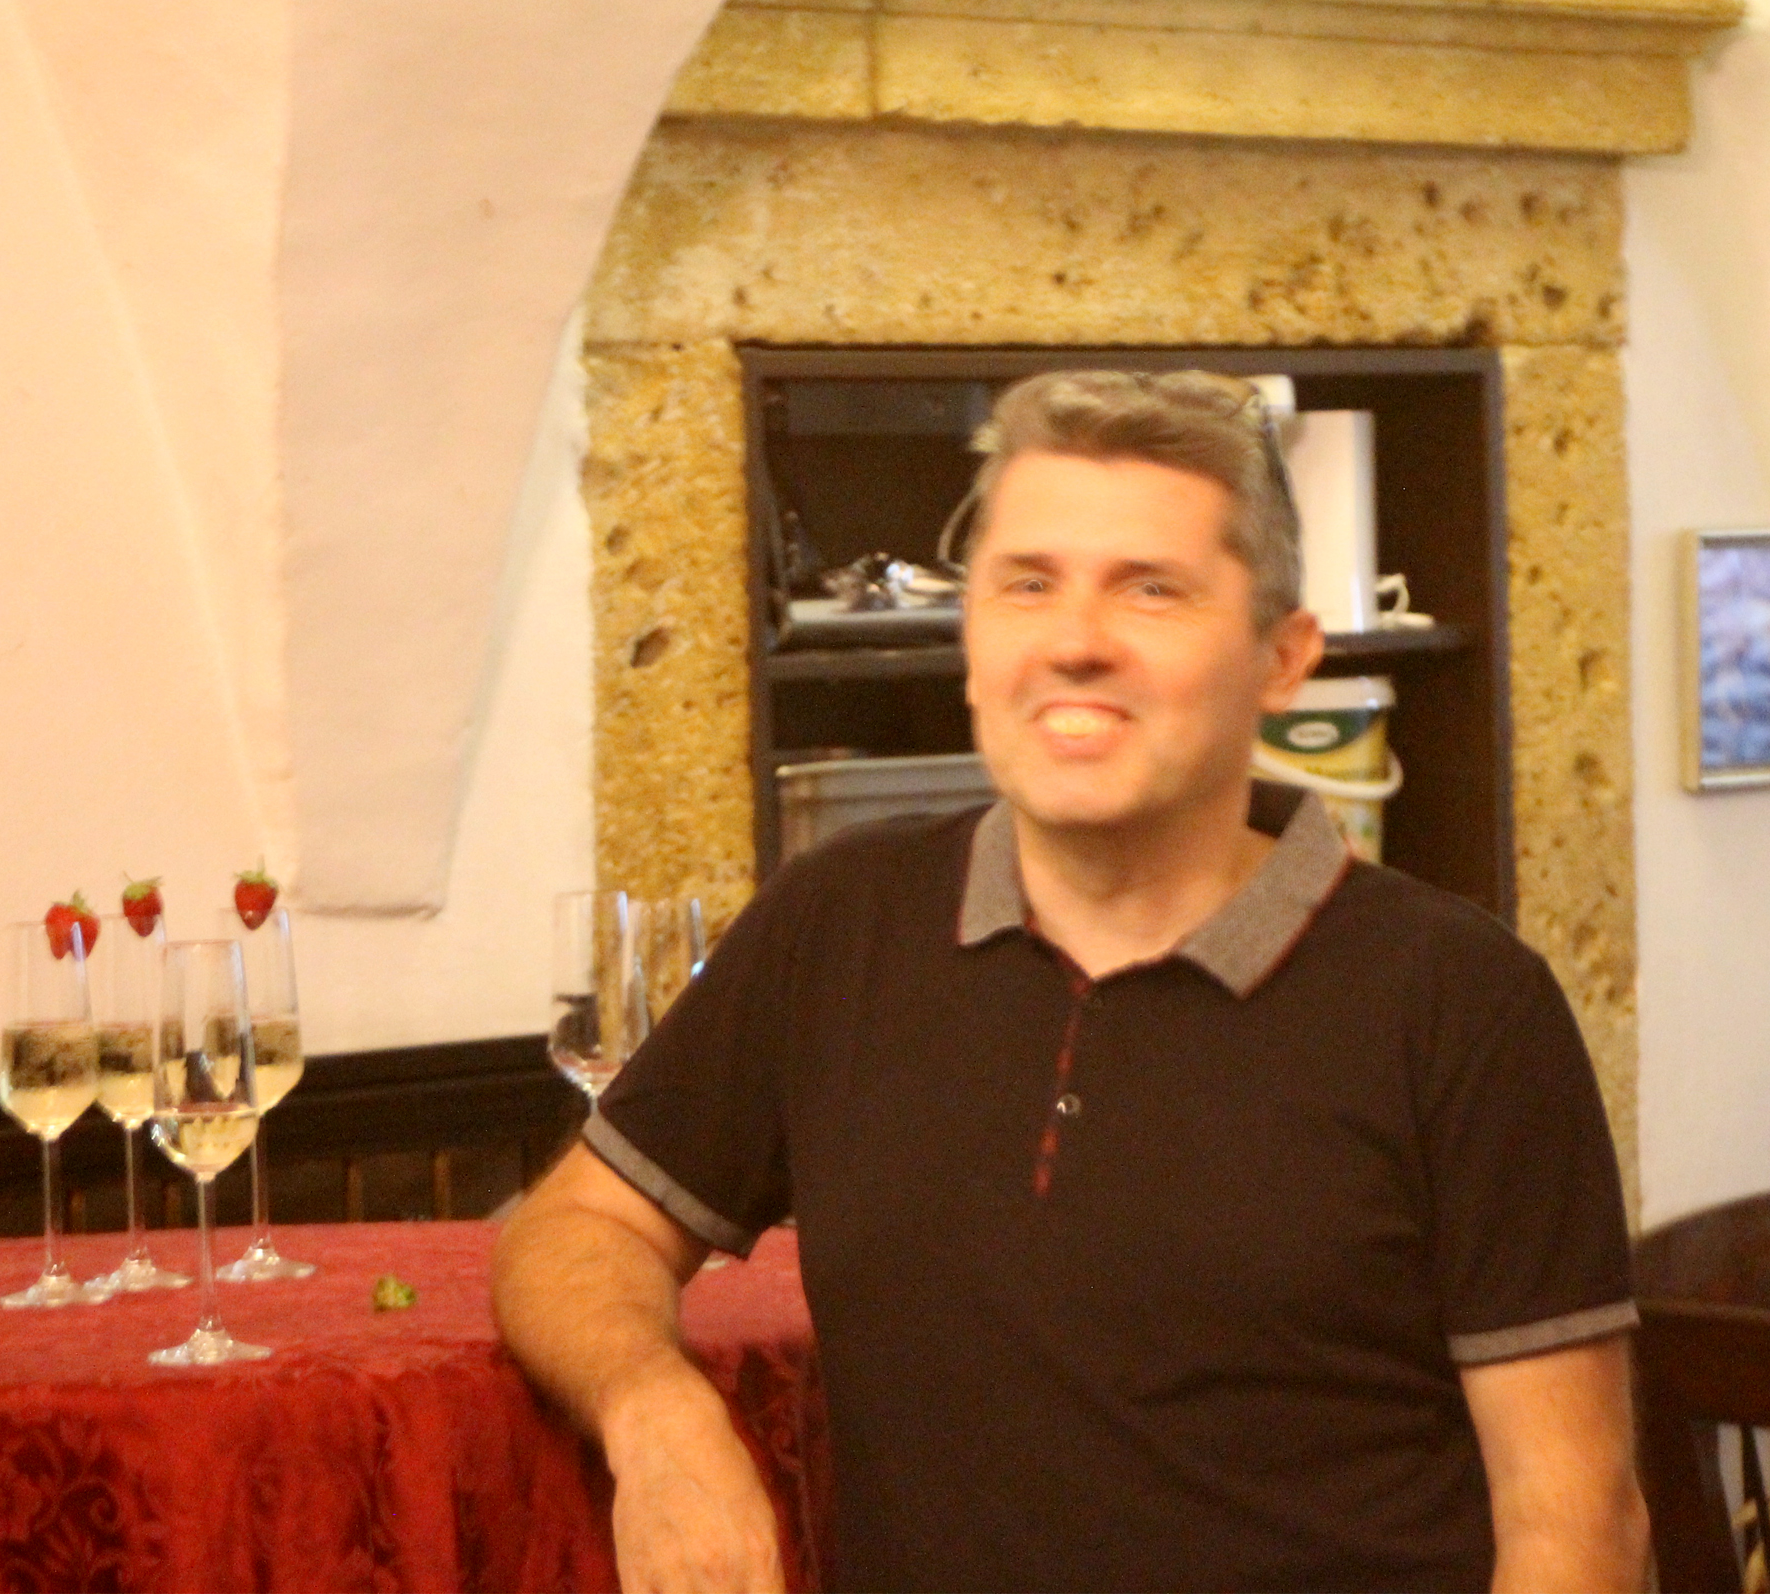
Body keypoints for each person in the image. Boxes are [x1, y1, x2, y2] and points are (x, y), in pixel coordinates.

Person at [493, 370, 1650, 1594]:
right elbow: (578, 1228)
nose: (1076, 641)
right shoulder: (836, 922)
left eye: (1151, 588)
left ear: (1282, 658)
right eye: (1027, 584)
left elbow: (1574, 1521)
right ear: (970, 643)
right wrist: (654, 1410)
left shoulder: (1461, 1001)